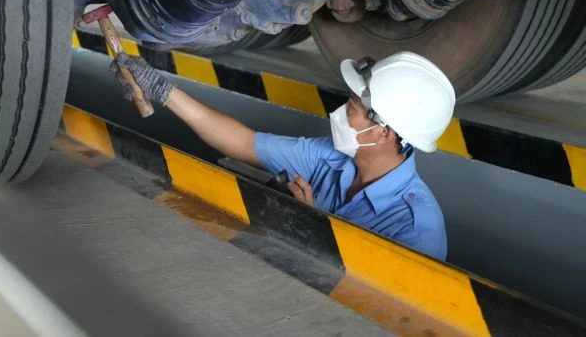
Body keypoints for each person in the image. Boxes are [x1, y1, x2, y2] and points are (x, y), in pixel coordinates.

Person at [111, 51, 455, 261]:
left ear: (384, 131)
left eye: (351, 108)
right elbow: (243, 144)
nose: (340, 113)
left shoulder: (415, 228)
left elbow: (375, 310)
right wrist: (161, 89)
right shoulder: (331, 158)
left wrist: (311, 225)